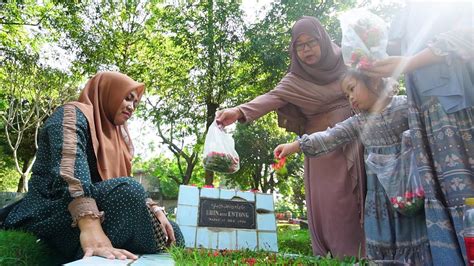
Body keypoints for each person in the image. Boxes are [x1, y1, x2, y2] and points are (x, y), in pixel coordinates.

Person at [216, 16, 366, 258]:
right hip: (320, 153)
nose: (306, 49)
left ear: (324, 41)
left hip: (355, 142)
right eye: (300, 45)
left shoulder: (348, 60)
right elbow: (270, 98)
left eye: (312, 42)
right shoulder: (295, 79)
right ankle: (334, 256)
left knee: (357, 199)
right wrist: (239, 111)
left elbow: (371, 81)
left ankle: (364, 254)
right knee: (330, 204)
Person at [4, 72, 184, 263]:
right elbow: (69, 171)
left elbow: (116, 180)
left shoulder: (115, 136)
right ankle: (88, 254)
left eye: (136, 103)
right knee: (128, 192)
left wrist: (155, 210)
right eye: (128, 98)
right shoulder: (71, 115)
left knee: (173, 233)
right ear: (109, 92)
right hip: (51, 209)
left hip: (103, 209)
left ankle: (109, 245)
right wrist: (89, 223)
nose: (132, 107)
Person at [274, 69, 432, 264]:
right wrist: (296, 145)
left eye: (352, 89)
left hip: (411, 188)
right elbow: (330, 136)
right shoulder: (359, 121)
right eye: (346, 95)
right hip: (380, 195)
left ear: (374, 82)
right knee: (382, 239)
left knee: (413, 235)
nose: (350, 98)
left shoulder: (405, 106)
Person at [363, 2, 473, 264]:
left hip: (457, 108)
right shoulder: (408, 11)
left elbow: (467, 34)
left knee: (465, 191)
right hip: (425, 111)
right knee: (442, 192)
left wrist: (408, 62)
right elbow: (398, 51)